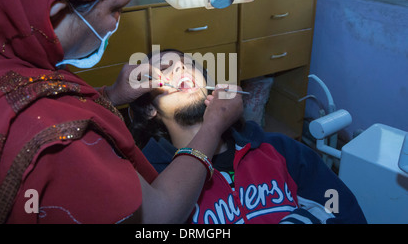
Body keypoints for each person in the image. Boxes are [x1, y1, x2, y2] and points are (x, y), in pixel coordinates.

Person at [0, 0, 243, 224]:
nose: (115, 24)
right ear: (57, 13)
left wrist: (110, 96)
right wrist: (212, 127)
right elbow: (157, 218)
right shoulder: (51, 133)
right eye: (116, 9)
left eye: (186, 63)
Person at [129, 49, 367, 224]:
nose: (179, 68)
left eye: (186, 64)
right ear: (150, 109)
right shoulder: (152, 181)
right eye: (163, 69)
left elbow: (338, 204)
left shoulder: (282, 149)